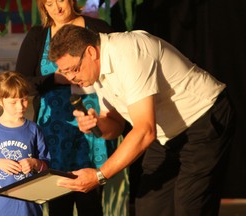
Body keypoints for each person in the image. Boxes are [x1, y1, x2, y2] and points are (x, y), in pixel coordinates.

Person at [48, 24, 236, 216]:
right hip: (164, 133)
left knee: (189, 206)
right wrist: (97, 124)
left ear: (90, 52)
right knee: (150, 207)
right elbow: (115, 124)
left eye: (74, 69)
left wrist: (99, 176)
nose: (71, 78)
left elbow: (145, 131)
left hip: (202, 117)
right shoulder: (97, 71)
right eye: (65, 72)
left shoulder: (128, 53)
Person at [15, 0, 129, 215]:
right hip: (55, 131)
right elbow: (21, 84)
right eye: (49, 4)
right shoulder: (38, 35)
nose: (57, 8)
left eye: (60, 1)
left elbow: (120, 67)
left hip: (95, 124)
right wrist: (55, 79)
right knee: (59, 196)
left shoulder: (98, 28)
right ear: (43, 8)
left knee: (90, 198)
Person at [0, 71, 50, 216]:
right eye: (13, 102)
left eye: (24, 99)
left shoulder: (34, 129)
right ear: (0, 101)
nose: (20, 106)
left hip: (28, 207)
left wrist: (34, 163)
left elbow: (46, 166)